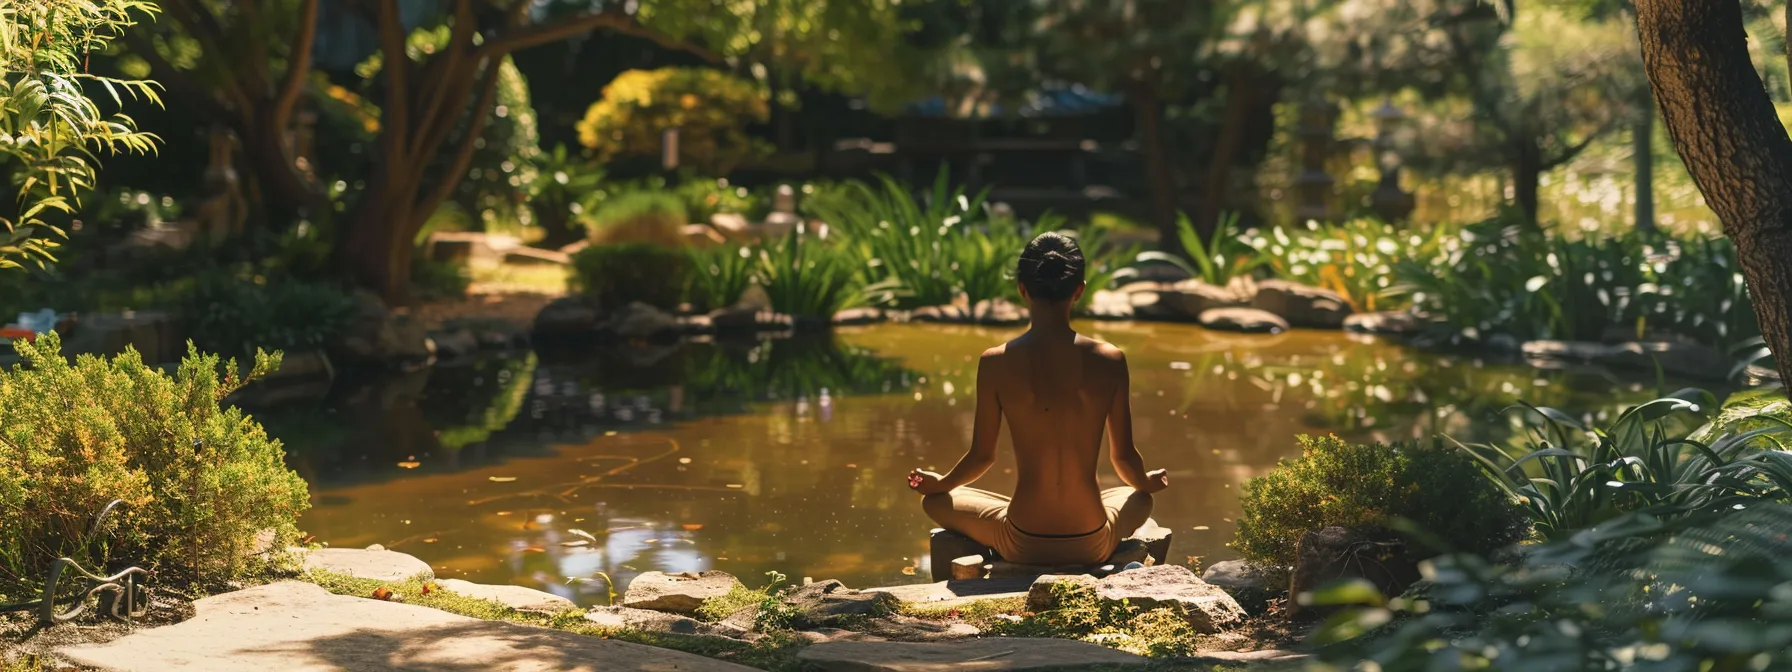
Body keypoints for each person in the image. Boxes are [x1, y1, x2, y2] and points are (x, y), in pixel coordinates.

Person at [908, 232, 1170, 566]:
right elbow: (1125, 460)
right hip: (1092, 540)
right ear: (1079, 290)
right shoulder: (1110, 359)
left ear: (1022, 289)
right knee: (1139, 498)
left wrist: (940, 482)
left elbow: (981, 457)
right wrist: (1147, 481)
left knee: (935, 502)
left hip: (1022, 539)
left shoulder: (995, 361)